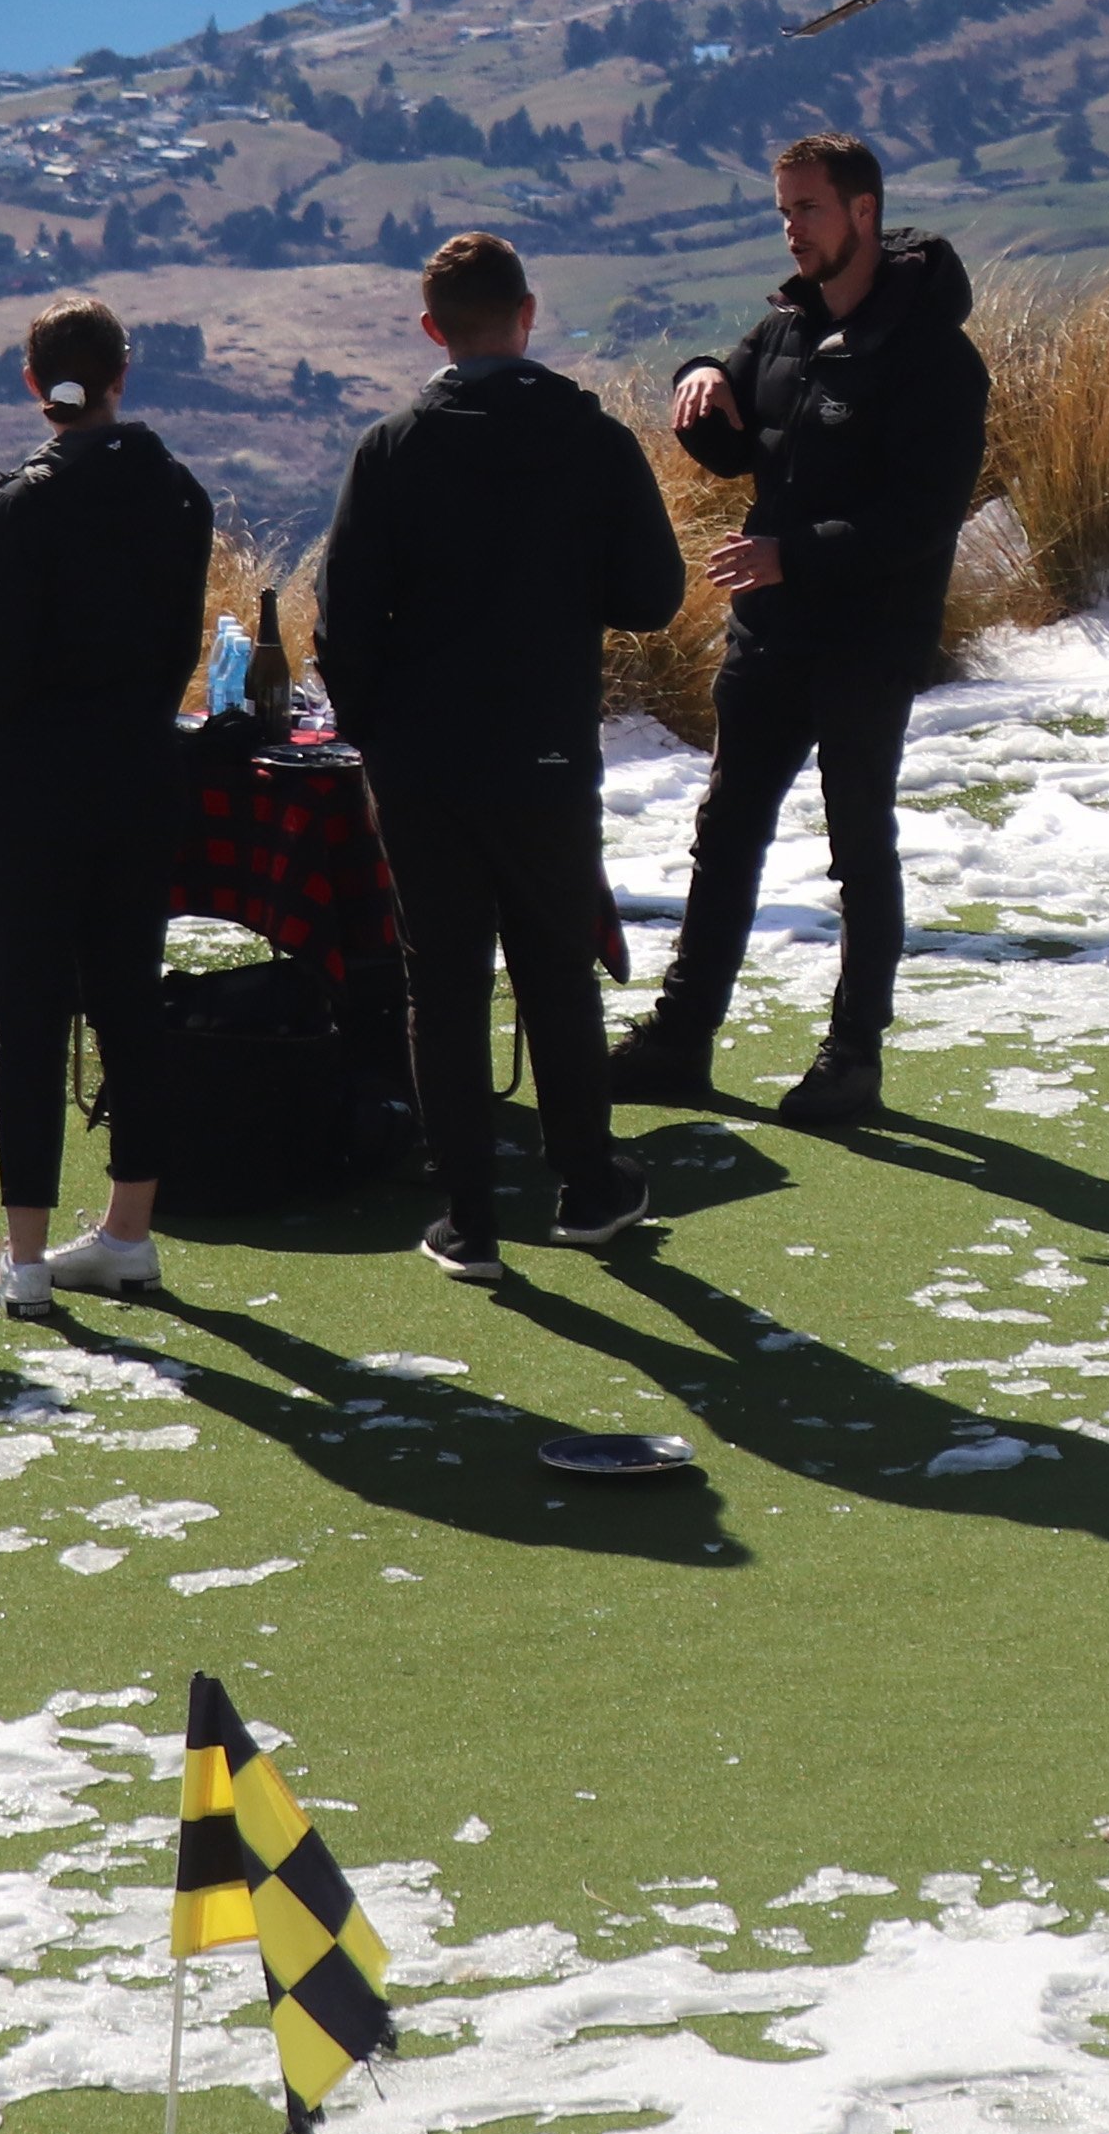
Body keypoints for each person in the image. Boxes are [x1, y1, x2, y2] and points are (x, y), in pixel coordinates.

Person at [303, 229, 687, 1282]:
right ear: (528, 313)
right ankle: (588, 1185)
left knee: (444, 981)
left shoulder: (390, 449)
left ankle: (469, 1218)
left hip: (423, 763)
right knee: (556, 971)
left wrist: (379, 738)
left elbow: (342, 624)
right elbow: (655, 594)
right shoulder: (589, 438)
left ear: (433, 329)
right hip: (546, 750)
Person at [616, 132, 984, 1133]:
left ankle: (851, 1056)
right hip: (770, 630)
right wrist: (699, 380)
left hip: (869, 636)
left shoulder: (937, 360)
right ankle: (681, 1038)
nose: (790, 230)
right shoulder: (789, 323)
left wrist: (793, 555)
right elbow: (737, 439)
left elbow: (920, 520)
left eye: (807, 210)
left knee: (859, 844)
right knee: (726, 830)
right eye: (783, 210)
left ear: (862, 213)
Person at [0, 297, 215, 1318]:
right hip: (140, 773)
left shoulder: (23, 504)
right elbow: (178, 644)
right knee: (131, 998)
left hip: (33, 795)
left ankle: (29, 1257)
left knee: (31, 1017)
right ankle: (128, 1237)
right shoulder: (180, 495)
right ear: (121, 373)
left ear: (32, 380)